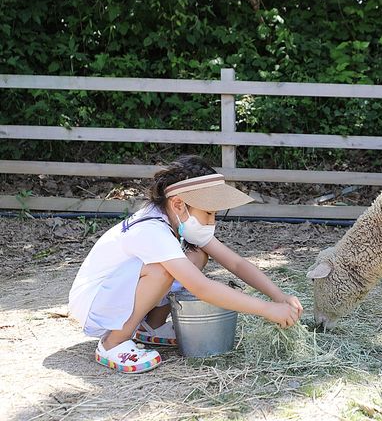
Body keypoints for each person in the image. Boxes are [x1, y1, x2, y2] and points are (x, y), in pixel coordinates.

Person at [69, 155, 303, 373]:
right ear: (179, 205)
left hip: (117, 293)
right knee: (161, 270)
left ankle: (152, 326)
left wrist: (278, 296)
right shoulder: (151, 230)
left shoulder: (176, 219)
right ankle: (113, 343)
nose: (212, 223)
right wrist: (267, 309)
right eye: (209, 214)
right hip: (94, 304)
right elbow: (201, 287)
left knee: (197, 255)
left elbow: (236, 263)